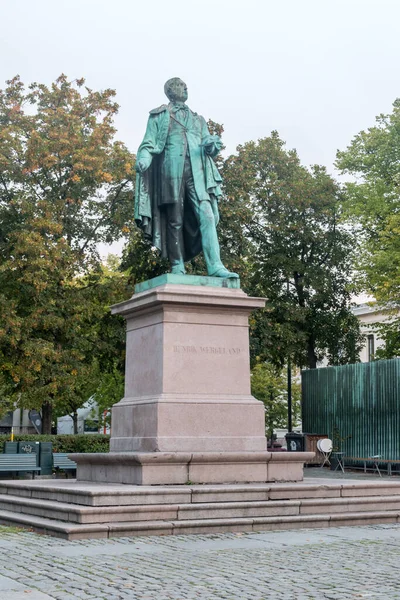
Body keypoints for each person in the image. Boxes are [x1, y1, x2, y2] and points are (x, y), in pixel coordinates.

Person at [134, 77, 238, 278]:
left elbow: (211, 146)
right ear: (171, 90)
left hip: (198, 177)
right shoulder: (160, 116)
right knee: (175, 220)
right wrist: (144, 160)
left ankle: (216, 266)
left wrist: (212, 145)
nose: (185, 88)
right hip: (171, 174)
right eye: (181, 85)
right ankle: (177, 265)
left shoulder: (199, 120)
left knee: (207, 216)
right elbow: (148, 143)